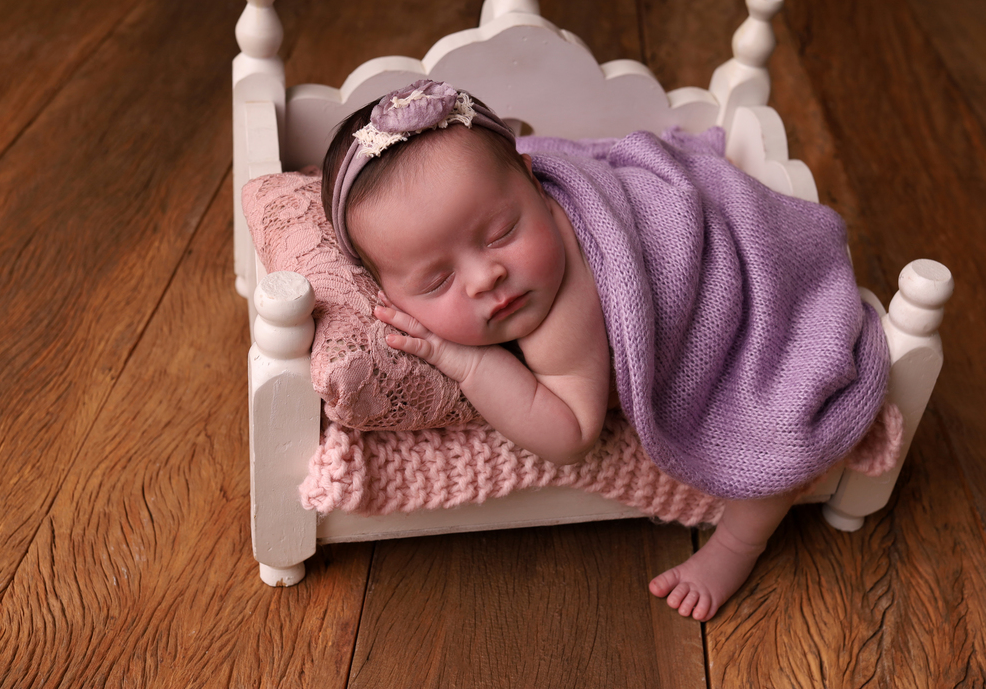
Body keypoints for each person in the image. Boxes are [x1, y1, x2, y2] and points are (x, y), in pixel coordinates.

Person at [321, 79, 890, 622]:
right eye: (437, 280)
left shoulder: (559, 310)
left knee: (779, 427)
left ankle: (736, 547)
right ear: (382, 290)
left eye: (500, 233)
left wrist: (468, 361)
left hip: (755, 285)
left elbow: (570, 435)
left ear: (534, 180)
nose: (485, 277)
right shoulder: (497, 213)